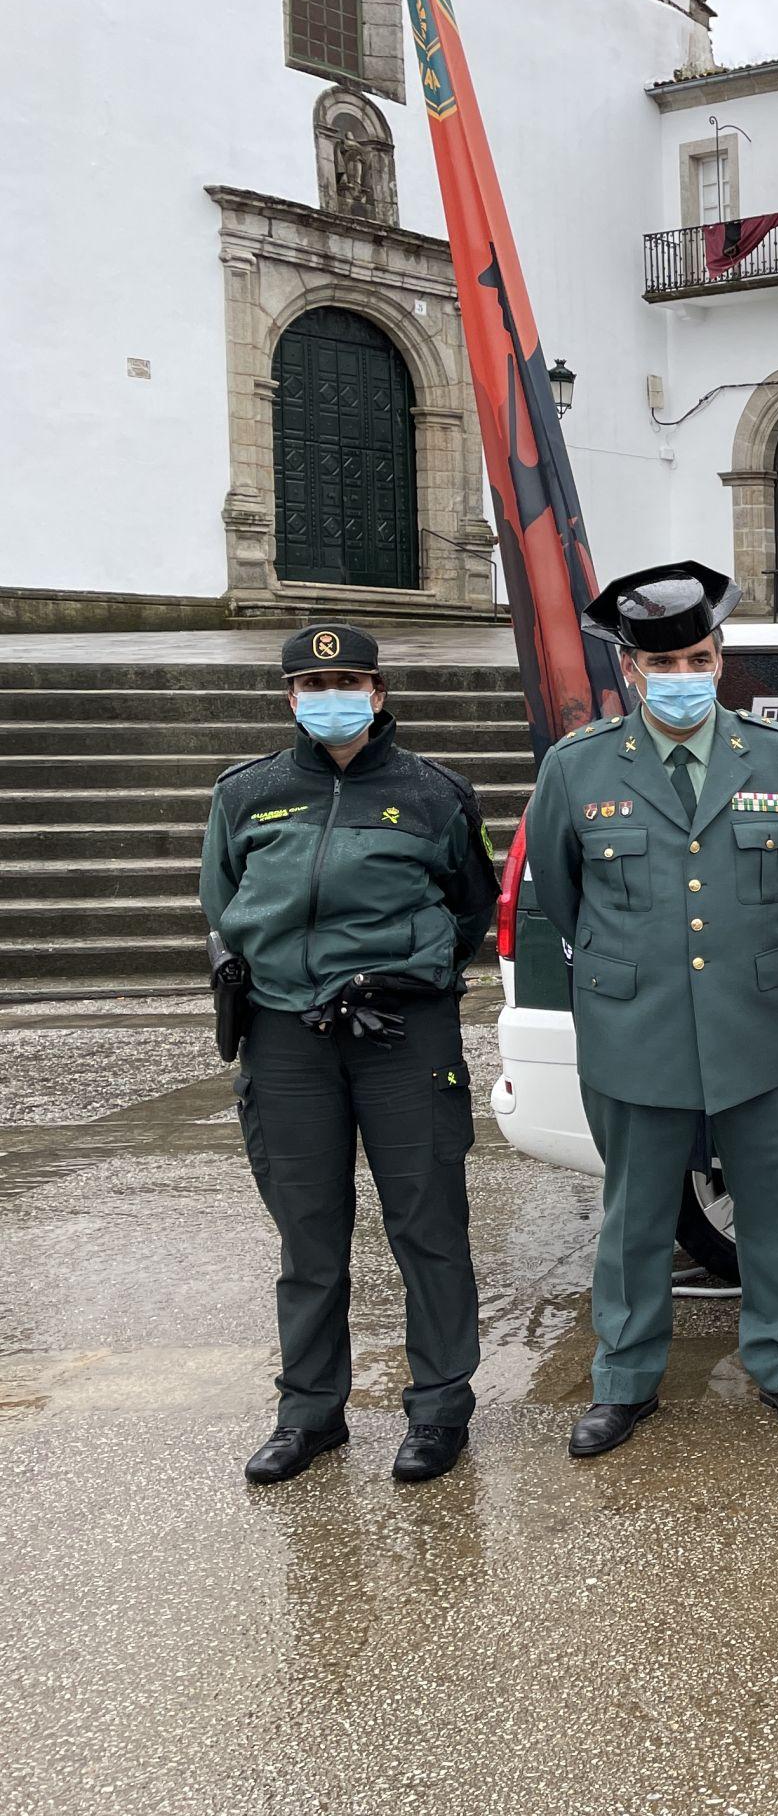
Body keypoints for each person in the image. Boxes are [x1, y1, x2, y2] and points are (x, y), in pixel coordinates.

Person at [522, 562, 778, 1458]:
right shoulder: (577, 768)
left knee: (775, 1207)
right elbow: (562, 890)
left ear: (720, 658)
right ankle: (624, 1380)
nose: (684, 677)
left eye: (699, 658)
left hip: (754, 1017)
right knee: (636, 1214)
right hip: (637, 1022)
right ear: (631, 671)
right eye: (665, 665)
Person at [200, 623, 497, 1485]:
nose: (332, 698)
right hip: (287, 1035)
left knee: (428, 1223)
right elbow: (223, 904)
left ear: (379, 691)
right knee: (308, 1232)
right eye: (313, 686)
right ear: (290, 698)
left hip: (401, 1033)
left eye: (352, 682)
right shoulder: (246, 794)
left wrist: (397, 974)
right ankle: (309, 1413)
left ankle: (440, 1408)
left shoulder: (436, 793)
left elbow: (468, 910)